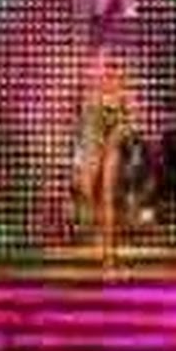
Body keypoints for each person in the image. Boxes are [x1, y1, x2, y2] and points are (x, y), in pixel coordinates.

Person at [73, 46, 136, 269]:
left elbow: (130, 123)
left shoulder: (123, 93)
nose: (108, 71)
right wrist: (82, 157)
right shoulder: (92, 94)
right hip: (92, 147)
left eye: (112, 66)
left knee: (107, 198)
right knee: (88, 192)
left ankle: (109, 252)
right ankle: (101, 237)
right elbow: (84, 129)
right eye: (104, 66)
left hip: (112, 148)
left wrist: (118, 134)